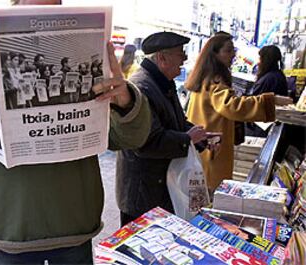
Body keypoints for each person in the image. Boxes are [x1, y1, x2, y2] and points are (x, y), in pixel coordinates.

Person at [0, 1, 151, 264]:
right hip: (9, 233)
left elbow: (131, 138)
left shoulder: (94, 78)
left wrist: (126, 101)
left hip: (73, 228)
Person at [116, 32, 213, 227]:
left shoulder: (161, 81)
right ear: (162, 57)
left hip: (158, 189)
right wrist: (187, 138)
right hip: (143, 195)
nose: (184, 58)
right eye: (180, 53)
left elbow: (175, 121)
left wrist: (199, 136)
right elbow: (147, 142)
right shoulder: (143, 86)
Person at [185, 34, 293, 193]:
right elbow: (232, 106)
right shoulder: (214, 80)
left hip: (205, 145)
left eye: (233, 50)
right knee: (210, 192)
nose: (233, 55)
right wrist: (270, 100)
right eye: (228, 51)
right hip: (211, 148)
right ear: (215, 54)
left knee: (201, 191)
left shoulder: (204, 77)